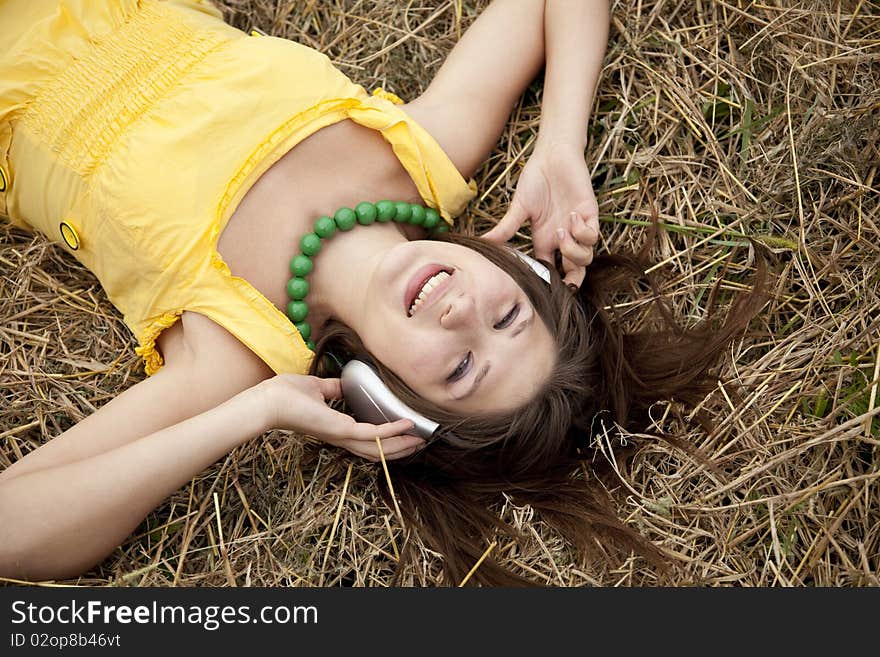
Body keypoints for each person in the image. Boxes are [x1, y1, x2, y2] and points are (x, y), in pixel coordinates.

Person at [0, 0, 764, 586]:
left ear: (387, 402)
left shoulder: (235, 347)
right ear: (520, 272)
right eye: (507, 313)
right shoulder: (429, 153)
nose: (464, 312)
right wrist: (561, 140)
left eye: (460, 368)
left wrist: (250, 413)